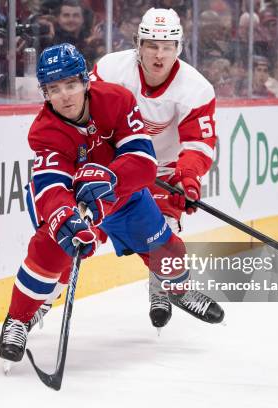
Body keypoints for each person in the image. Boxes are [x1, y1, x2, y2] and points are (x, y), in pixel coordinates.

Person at [0, 43, 223, 363]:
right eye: (54, 89)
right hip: (76, 202)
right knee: (50, 250)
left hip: (123, 196)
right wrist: (65, 217)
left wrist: (110, 178)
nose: (65, 96)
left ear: (86, 82)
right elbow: (50, 186)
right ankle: (19, 319)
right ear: (45, 94)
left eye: (71, 84)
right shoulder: (45, 131)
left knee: (167, 248)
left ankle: (178, 290)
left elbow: (144, 163)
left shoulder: (117, 101)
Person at [91, 8, 223, 329]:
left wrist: (188, 178)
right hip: (115, 164)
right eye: (151, 45)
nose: (159, 54)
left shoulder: (196, 88)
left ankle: (164, 289)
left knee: (163, 228)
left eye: (167, 46)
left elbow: (197, 144)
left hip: (162, 168)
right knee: (77, 231)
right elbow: (90, 120)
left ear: (179, 47)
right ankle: (34, 306)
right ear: (138, 44)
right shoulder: (111, 69)